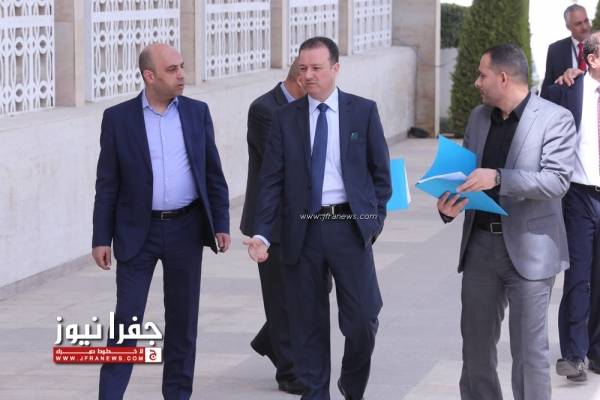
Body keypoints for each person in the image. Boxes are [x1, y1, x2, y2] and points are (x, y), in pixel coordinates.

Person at [244, 36, 391, 400]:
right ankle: (315, 394)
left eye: (316, 68)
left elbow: (380, 175)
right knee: (306, 325)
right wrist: (262, 234)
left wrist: (372, 221)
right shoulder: (284, 118)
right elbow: (271, 181)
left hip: (348, 227)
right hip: (303, 230)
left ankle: (351, 386)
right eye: (303, 68)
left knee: (363, 319)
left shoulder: (363, 111)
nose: (308, 75)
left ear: (335, 68)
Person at [92, 43, 230, 400]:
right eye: (172, 69)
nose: (182, 74)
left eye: (181, 66)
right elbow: (107, 183)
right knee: (127, 321)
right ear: (149, 76)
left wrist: (221, 222)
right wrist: (101, 237)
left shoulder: (197, 113)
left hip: (186, 229)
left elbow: (212, 173)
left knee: (183, 322)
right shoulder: (118, 119)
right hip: (138, 231)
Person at [438, 44, 576, 400]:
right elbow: (462, 175)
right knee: (475, 351)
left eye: (481, 75)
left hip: (532, 251)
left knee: (529, 355)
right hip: (480, 247)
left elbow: (557, 181)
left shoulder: (555, 119)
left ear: (503, 78)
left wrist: (499, 177)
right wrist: (448, 204)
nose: (476, 82)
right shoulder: (478, 118)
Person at [240, 59, 307, 395]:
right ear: (301, 77)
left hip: (305, 219)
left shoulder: (312, 107)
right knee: (281, 296)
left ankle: (270, 340)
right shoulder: (264, 110)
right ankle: (289, 372)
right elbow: (285, 163)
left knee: (314, 288)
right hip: (272, 221)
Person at [544, 31, 600, 383]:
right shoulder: (566, 91)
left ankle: (597, 351)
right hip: (579, 196)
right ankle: (574, 355)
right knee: (578, 277)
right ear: (592, 59)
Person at [540, 4, 591, 97]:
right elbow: (547, 89)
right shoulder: (555, 50)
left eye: (586, 21)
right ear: (568, 27)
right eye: (578, 24)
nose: (584, 27)